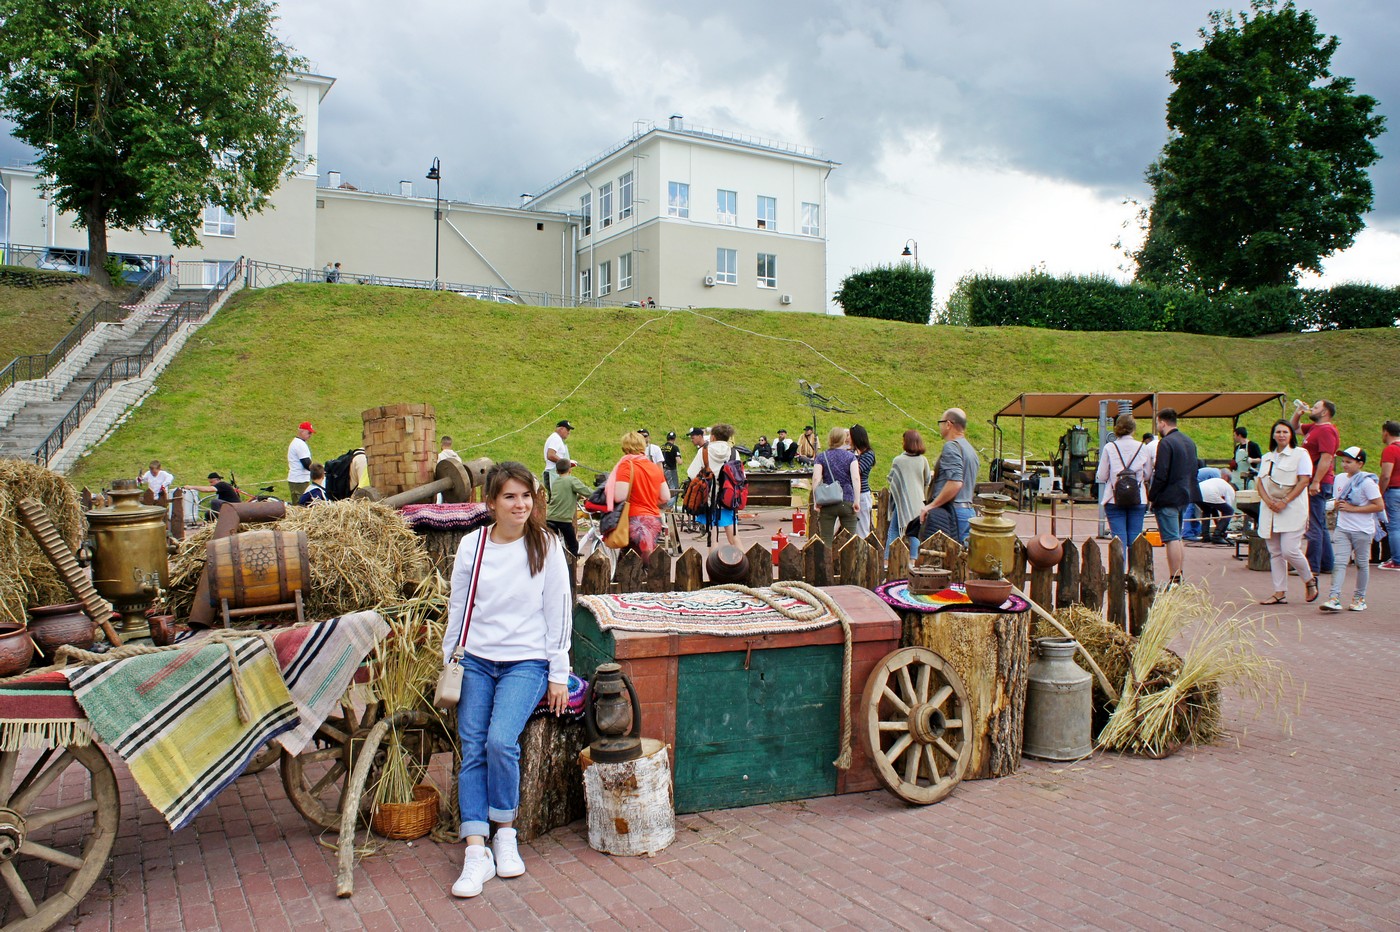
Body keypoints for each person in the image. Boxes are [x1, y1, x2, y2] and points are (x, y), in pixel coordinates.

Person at [443, 462, 570, 899]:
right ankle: (475, 850)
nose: (520, 504)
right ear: (492, 502)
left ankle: (505, 833)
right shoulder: (472, 546)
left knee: (500, 741)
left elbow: (558, 613)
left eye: (526, 496)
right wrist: (450, 661)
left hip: (526, 663)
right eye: (510, 497)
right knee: (473, 746)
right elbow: (458, 608)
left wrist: (558, 673)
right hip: (476, 660)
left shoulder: (546, 545)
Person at [1255, 420, 1317, 605]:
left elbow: (1304, 481)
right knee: (1275, 552)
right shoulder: (1267, 457)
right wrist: (1268, 501)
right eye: (1278, 432)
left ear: (1291, 435)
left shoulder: (1300, 454)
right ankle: (1279, 591)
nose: (1281, 435)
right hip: (1270, 509)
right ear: (1273, 435)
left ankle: (1309, 579)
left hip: (1292, 508)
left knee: (1289, 550)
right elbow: (1260, 483)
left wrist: (1284, 501)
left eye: (1285, 432)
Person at [1320, 447, 1383, 613]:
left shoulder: (1367, 483)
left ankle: (1359, 598)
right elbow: (1337, 500)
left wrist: (1352, 509)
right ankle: (1334, 597)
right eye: (1343, 461)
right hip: (1343, 528)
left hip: (1362, 530)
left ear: (1360, 463)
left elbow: (1379, 505)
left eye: (1349, 462)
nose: (1344, 465)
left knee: (1361, 564)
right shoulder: (1339, 478)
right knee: (1339, 562)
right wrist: (1334, 506)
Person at [1147, 408, 1202, 590]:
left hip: (1168, 496)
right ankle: (1179, 573)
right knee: (1178, 537)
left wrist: (1152, 496)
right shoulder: (1189, 441)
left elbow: (1161, 473)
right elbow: (1195, 469)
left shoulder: (1166, 443)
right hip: (1185, 494)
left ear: (1162, 422)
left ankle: (1175, 578)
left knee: (1171, 538)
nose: (1157, 426)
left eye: (1157, 423)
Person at [1292, 399, 1339, 576]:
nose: (1313, 408)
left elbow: (1327, 458)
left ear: (1325, 412)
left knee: (1314, 525)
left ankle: (1312, 566)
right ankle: (1326, 563)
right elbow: (1293, 428)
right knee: (1319, 523)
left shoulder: (1326, 430)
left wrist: (1316, 481)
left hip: (1318, 481)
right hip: (1316, 480)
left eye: (1317, 407)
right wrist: (1298, 412)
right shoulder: (1314, 428)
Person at [609, 431, 671, 562]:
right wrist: (649, 499)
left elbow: (620, 496)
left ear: (625, 447)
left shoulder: (626, 466)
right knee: (645, 557)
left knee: (631, 561)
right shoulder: (654, 467)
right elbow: (665, 496)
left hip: (634, 518)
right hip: (653, 518)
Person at [920, 409, 979, 546]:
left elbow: (956, 483)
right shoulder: (970, 449)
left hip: (953, 514)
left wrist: (931, 506)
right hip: (967, 511)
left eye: (940, 423)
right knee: (963, 561)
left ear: (948, 424)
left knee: (950, 562)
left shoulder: (951, 447)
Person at [1096, 414, 1153, 547]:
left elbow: (1102, 475)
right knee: (1135, 539)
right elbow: (1148, 474)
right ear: (1133, 429)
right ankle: (1135, 567)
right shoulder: (1142, 447)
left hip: (1114, 498)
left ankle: (1119, 568)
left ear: (1117, 429)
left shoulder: (1110, 448)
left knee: (1118, 540)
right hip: (1138, 497)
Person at [687, 424, 740, 548]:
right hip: (728, 498)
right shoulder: (733, 452)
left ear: (713, 437)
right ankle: (742, 565)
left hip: (708, 499)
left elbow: (691, 473)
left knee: (713, 539)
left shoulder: (703, 451)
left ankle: (714, 566)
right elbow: (740, 475)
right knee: (734, 537)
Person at [886, 429, 932, 557]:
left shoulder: (899, 460)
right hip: (919, 501)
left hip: (902, 503)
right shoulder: (923, 460)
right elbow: (927, 479)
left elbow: (891, 479)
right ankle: (913, 560)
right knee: (913, 531)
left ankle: (888, 560)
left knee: (896, 531)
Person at [812, 426, 860, 544]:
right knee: (850, 540)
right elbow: (855, 478)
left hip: (827, 501)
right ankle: (848, 562)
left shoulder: (821, 457)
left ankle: (827, 561)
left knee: (826, 539)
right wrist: (857, 500)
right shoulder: (850, 457)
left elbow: (816, 478)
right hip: (847, 499)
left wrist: (815, 500)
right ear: (843, 440)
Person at [545, 459, 591, 558]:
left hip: (551, 517)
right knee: (573, 545)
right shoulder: (571, 480)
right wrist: (599, 494)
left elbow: (563, 496)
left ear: (557, 471)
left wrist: (577, 496)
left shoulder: (556, 482)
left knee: (553, 544)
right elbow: (586, 491)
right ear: (570, 470)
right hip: (563, 519)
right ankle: (572, 563)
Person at [1378, 421, 1400, 571]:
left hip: (1394, 491)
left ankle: (1397, 560)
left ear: (1386, 432)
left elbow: (1386, 475)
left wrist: (1379, 492)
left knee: (1394, 527)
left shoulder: (1390, 450)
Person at [849, 425, 876, 539]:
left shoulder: (868, 455)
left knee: (862, 530)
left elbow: (856, 471)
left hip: (862, 494)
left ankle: (863, 553)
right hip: (851, 494)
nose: (847, 439)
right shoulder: (855, 454)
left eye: (849, 436)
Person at [1198, 474, 1237, 544]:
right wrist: (1222, 530)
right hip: (1209, 492)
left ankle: (1205, 536)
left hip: (1198, 491)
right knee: (1229, 511)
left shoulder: (1221, 485)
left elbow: (1215, 512)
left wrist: (1218, 525)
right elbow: (1226, 513)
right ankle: (1217, 536)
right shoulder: (1231, 491)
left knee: (1207, 510)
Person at [543, 420, 575, 492]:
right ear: (561, 429)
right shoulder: (556, 438)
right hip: (553, 474)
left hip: (553, 473)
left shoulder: (555, 438)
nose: (569, 432)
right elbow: (550, 455)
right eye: (567, 429)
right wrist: (566, 463)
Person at [287, 421, 314, 504]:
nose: (310, 435)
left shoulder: (297, 443)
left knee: (298, 505)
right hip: (299, 481)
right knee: (302, 506)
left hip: (297, 479)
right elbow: (307, 464)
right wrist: (319, 471)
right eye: (309, 432)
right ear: (301, 431)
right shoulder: (300, 444)